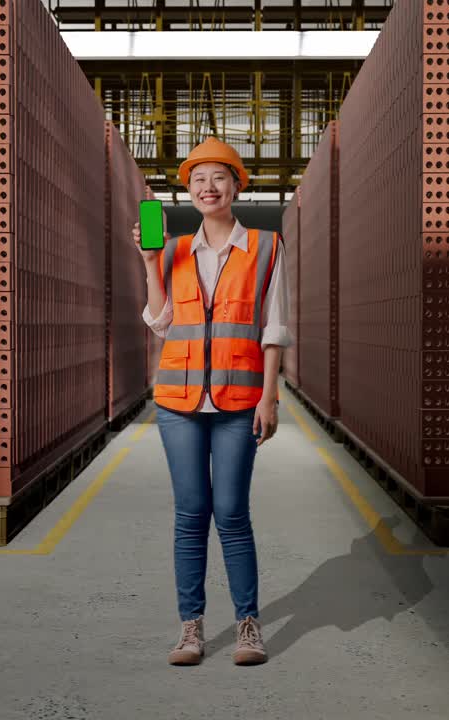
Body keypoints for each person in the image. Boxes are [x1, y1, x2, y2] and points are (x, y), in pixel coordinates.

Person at [132, 136, 293, 666]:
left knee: (230, 512)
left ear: (236, 185)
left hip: (239, 399)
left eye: (219, 177)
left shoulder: (267, 246)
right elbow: (159, 321)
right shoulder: (174, 250)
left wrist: (269, 397)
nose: (208, 186)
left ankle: (248, 625)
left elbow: (274, 326)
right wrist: (150, 262)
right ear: (188, 190)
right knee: (190, 513)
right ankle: (191, 628)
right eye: (198, 179)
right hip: (178, 402)